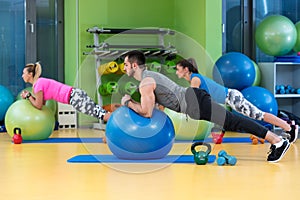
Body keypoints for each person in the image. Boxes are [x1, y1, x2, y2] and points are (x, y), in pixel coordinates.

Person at [120, 50, 291, 163]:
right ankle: (276, 140)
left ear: (134, 65)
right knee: (233, 121)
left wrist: (127, 102)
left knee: (234, 121)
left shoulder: (146, 83)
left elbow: (147, 113)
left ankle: (277, 141)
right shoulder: (151, 77)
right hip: (194, 103)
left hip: (193, 101)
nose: (124, 68)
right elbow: (156, 107)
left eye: (126, 65)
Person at [175, 58, 298, 143]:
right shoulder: (196, 78)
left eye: (178, 69)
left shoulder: (195, 78)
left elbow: (192, 95)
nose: (176, 72)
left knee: (260, 115)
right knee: (257, 116)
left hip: (232, 97)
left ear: (186, 69)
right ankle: (288, 126)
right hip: (230, 98)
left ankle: (289, 127)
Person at [21, 62, 110, 122]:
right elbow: (42, 104)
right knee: (100, 113)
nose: (22, 76)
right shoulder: (39, 83)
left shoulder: (38, 84)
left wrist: (28, 96)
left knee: (101, 114)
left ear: (30, 74)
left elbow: (38, 106)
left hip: (74, 97)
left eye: (23, 73)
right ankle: (116, 120)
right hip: (75, 95)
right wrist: (30, 97)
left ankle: (117, 123)